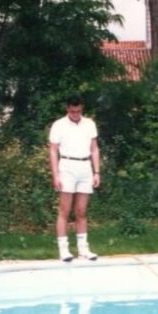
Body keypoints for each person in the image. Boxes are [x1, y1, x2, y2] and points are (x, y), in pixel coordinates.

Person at [49, 95, 101, 262]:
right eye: (73, 111)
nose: (76, 114)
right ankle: (63, 249)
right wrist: (56, 174)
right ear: (67, 109)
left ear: (82, 108)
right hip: (67, 166)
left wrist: (97, 172)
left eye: (78, 111)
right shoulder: (58, 125)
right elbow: (53, 150)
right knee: (64, 210)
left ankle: (83, 249)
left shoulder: (89, 124)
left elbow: (94, 149)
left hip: (85, 167)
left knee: (81, 211)